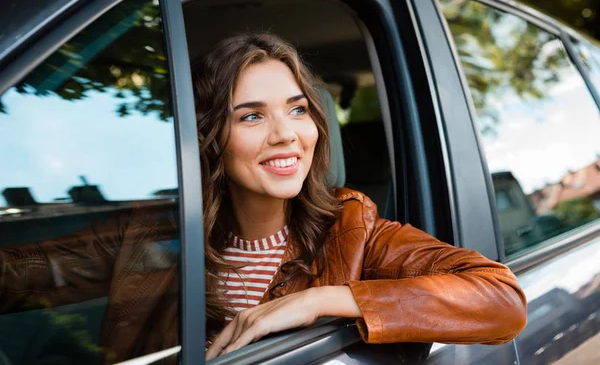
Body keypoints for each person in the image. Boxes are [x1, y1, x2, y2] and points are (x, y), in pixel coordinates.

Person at [0, 33, 527, 364]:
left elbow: (502, 300)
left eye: (298, 110)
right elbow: (23, 273)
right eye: (251, 115)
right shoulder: (154, 233)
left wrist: (315, 301)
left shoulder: (356, 232)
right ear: (209, 139)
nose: (286, 135)